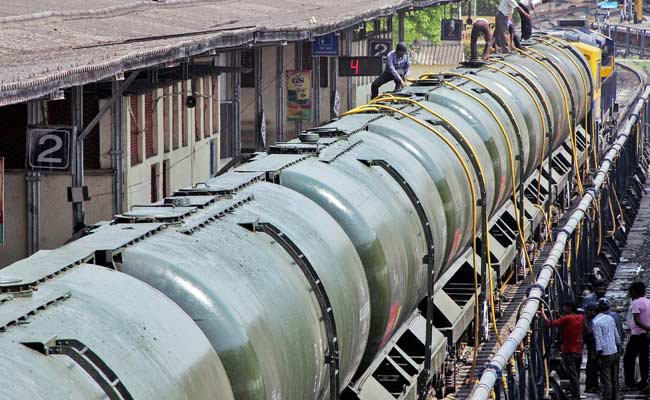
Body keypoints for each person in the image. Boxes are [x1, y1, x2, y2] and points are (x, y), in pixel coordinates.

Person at [546, 301, 584, 400]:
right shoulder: (580, 317)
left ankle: (576, 396)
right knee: (576, 374)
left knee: (572, 376)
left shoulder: (567, 318)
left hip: (569, 351)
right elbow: (568, 324)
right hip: (578, 350)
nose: (563, 309)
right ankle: (575, 392)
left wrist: (543, 314)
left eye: (565, 307)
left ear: (569, 308)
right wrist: (560, 316)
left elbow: (550, 324)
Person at [592, 303, 622, 400]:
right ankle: (615, 397)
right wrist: (619, 350)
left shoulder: (595, 322)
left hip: (605, 354)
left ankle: (607, 398)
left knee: (606, 380)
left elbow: (599, 341)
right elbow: (617, 336)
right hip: (614, 351)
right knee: (614, 378)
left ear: (593, 311)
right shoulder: (610, 318)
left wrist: (598, 357)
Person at [624, 281, 650, 391]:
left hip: (637, 335)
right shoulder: (648, 301)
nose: (630, 293)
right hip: (646, 336)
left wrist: (648, 328)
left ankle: (630, 383)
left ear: (635, 291)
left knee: (628, 359)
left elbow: (637, 320)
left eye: (631, 291)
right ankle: (644, 381)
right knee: (644, 359)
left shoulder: (636, 303)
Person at [583, 302, 600, 393]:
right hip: (592, 348)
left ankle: (592, 386)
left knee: (592, 368)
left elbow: (590, 332)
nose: (585, 314)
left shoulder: (596, 321)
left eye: (587, 312)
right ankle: (593, 386)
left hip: (595, 348)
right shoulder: (591, 319)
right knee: (591, 368)